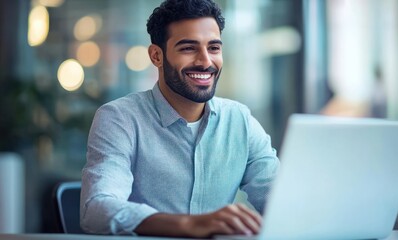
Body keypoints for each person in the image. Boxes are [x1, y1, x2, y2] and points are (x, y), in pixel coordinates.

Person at [80, 0, 279, 237]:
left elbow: (281, 201)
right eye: (188, 48)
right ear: (156, 56)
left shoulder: (240, 121)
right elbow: (97, 209)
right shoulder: (119, 118)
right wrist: (189, 225)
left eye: (214, 48)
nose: (206, 62)